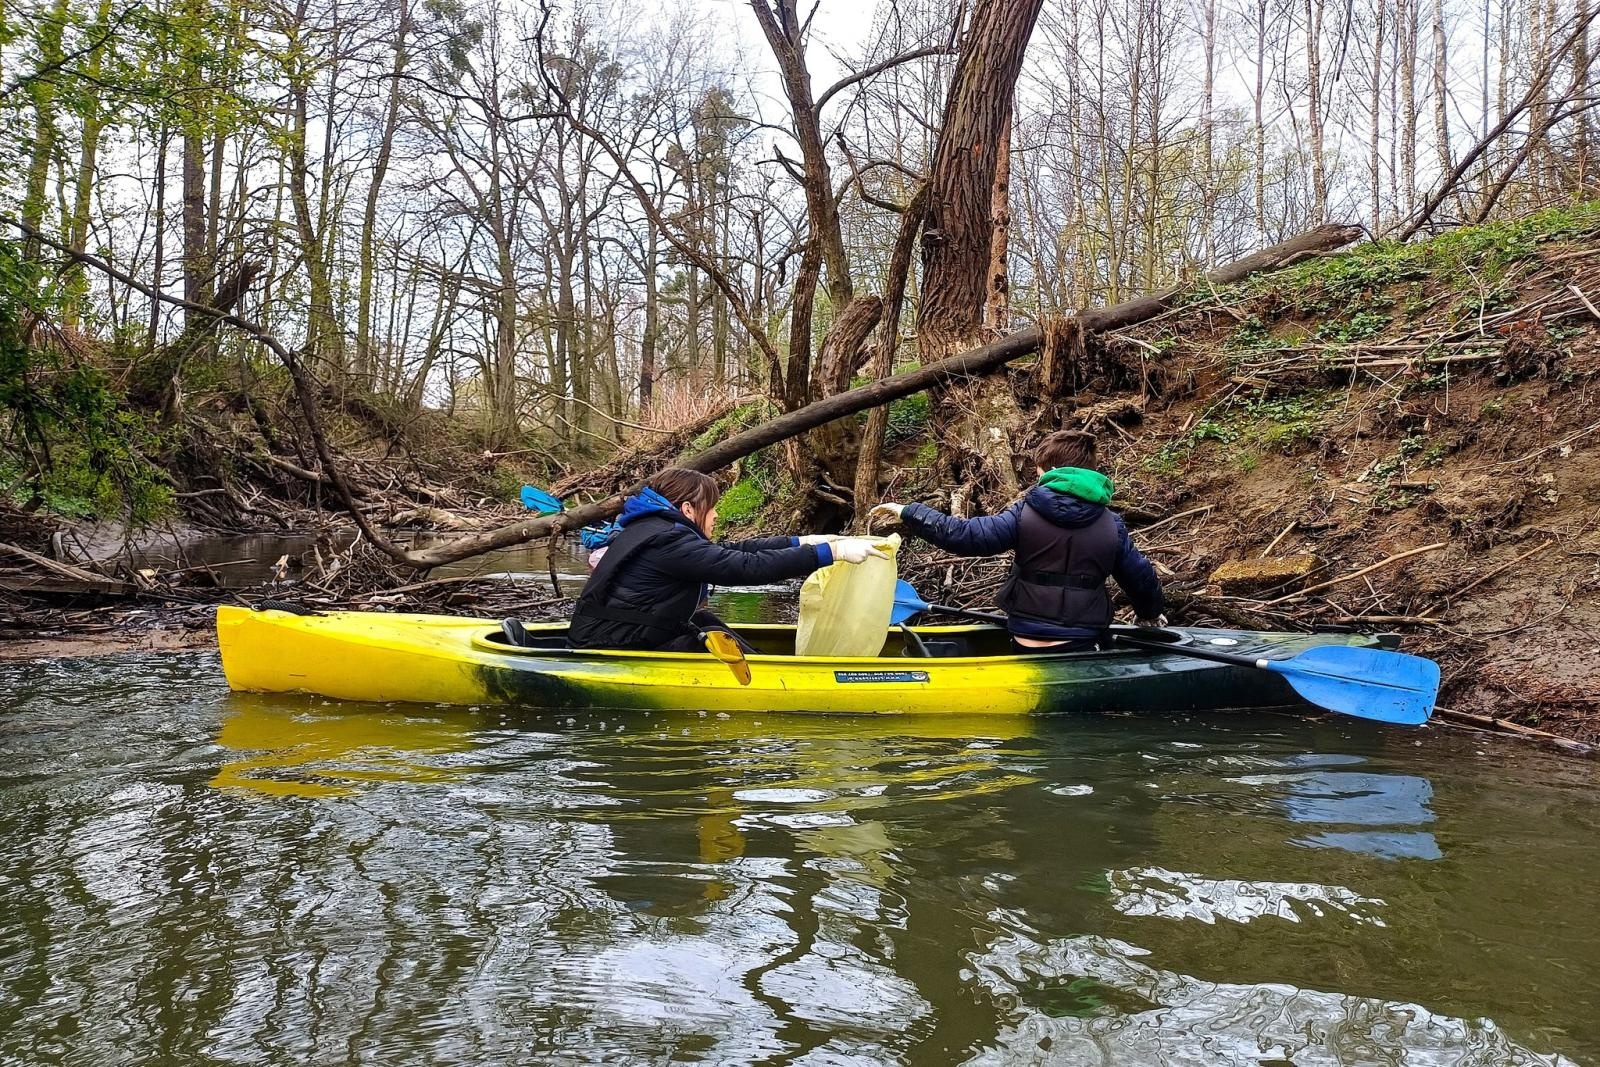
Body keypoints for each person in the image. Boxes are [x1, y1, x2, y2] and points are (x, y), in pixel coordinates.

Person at [871, 430, 1165, 653]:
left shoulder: (1025, 513)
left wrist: (910, 512)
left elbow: (966, 537)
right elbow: (1139, 577)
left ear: (1050, 471)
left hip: (1026, 634)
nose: (1036, 476)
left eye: (1038, 470)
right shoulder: (1111, 524)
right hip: (1084, 637)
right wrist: (1150, 615)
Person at [561, 467, 886, 653]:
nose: (716, 515)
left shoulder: (654, 529)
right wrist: (830, 553)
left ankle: (762, 667)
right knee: (700, 639)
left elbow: (732, 552)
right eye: (711, 507)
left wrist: (801, 541)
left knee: (703, 624)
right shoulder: (668, 541)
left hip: (611, 635)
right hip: (608, 646)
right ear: (688, 509)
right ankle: (771, 682)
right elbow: (742, 568)